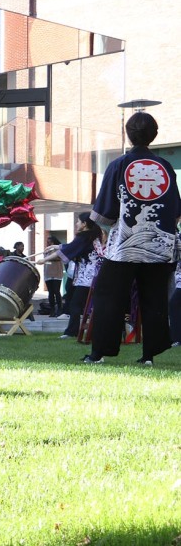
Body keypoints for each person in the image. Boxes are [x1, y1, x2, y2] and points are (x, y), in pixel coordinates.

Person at [82, 112, 180, 365]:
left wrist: (110, 230)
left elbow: (104, 212)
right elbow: (175, 210)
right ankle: (149, 355)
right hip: (160, 245)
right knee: (154, 298)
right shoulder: (166, 167)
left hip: (124, 246)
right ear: (154, 135)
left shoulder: (119, 165)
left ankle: (99, 353)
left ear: (128, 134)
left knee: (108, 296)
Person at [36, 213, 103, 340]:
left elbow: (68, 250)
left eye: (78, 222)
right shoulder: (93, 236)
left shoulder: (84, 236)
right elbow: (72, 246)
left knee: (75, 305)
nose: (76, 224)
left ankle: (71, 332)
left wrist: (44, 260)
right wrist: (56, 246)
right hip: (96, 276)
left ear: (84, 224)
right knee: (85, 305)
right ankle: (81, 331)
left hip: (87, 278)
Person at [42, 235, 64, 317]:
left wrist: (48, 258)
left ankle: (60, 309)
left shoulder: (57, 249)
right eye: (47, 241)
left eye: (50, 241)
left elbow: (59, 257)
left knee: (56, 291)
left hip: (56, 273)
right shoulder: (46, 250)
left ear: (54, 242)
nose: (48, 243)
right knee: (50, 292)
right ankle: (52, 309)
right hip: (48, 273)